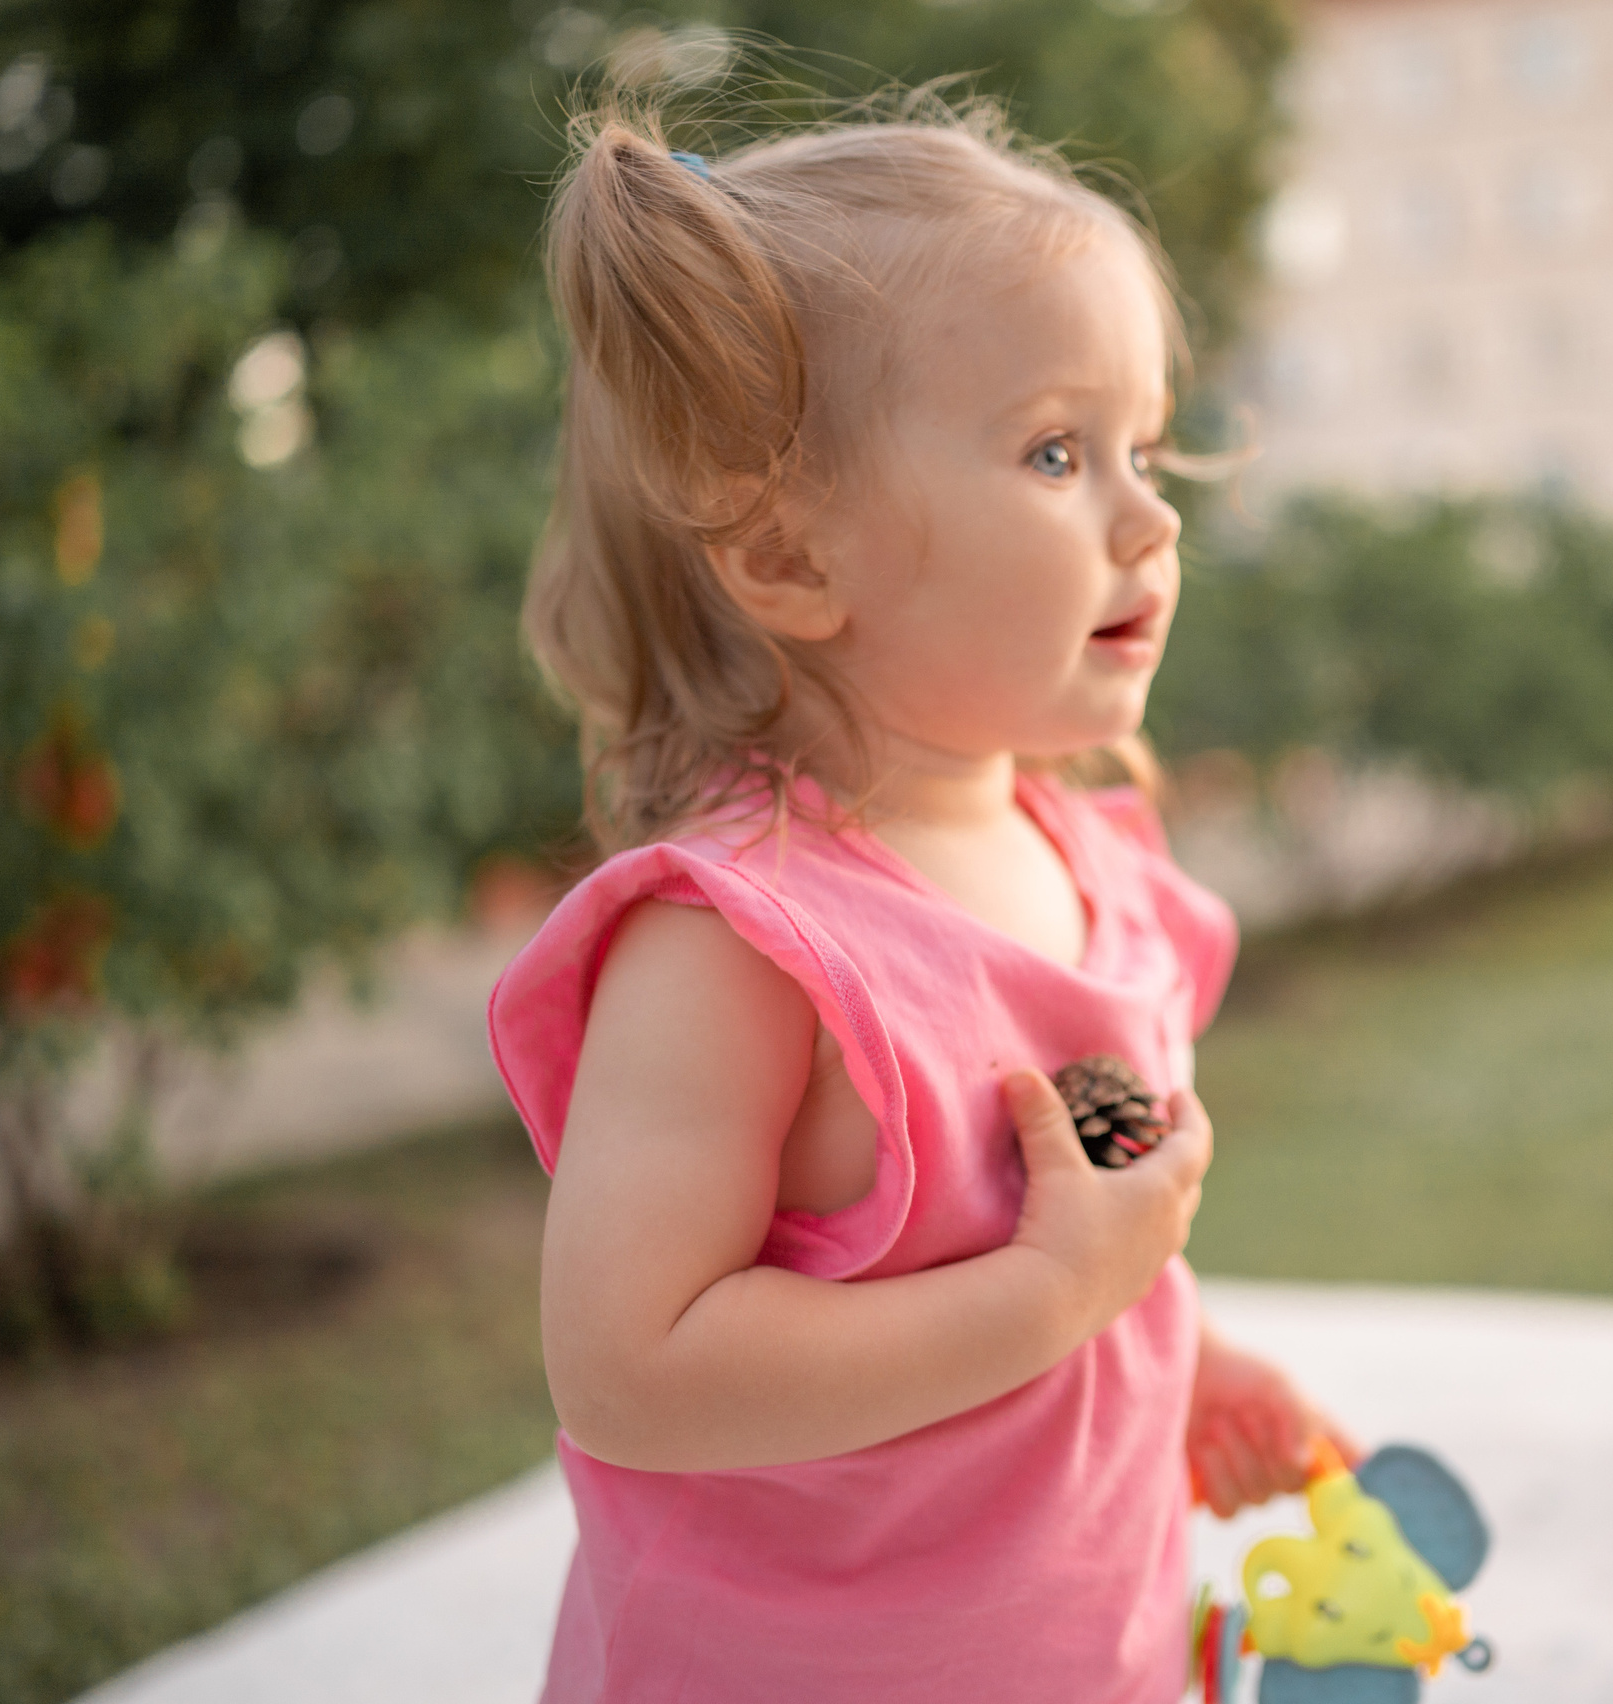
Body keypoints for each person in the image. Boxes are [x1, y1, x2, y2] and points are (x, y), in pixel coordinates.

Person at [486, 90, 1349, 1704]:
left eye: (1143, 450)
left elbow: (1094, 1225)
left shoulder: (1096, 870)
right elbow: (628, 1369)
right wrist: (1043, 1301)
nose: (1153, 515)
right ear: (794, 559)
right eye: (1053, 450)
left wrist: (1170, 1345)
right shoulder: (738, 945)